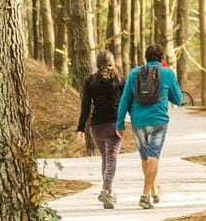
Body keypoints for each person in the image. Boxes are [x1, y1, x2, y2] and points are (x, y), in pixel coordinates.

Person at [117, 44, 183, 209]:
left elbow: (125, 98)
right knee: (153, 157)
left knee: (145, 158)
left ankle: (154, 192)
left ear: (146, 58)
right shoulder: (167, 73)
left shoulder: (134, 73)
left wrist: (119, 122)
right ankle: (144, 196)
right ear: (161, 59)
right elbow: (178, 99)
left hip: (138, 122)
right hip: (158, 121)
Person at [76, 50, 124, 209]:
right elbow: (126, 103)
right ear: (113, 62)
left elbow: (86, 106)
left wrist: (81, 128)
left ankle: (109, 196)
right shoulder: (119, 80)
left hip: (96, 127)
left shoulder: (90, 81)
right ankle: (106, 190)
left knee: (106, 158)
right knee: (111, 159)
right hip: (114, 126)